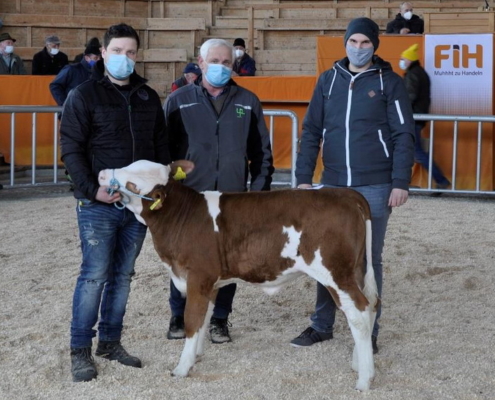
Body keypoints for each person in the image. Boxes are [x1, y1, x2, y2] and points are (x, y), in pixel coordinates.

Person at [291, 17, 415, 354]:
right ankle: (321, 325)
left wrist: (400, 181)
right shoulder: (328, 80)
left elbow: (404, 134)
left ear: (375, 46)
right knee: (324, 256)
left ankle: (369, 329)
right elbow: (311, 131)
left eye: (365, 43)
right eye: (353, 42)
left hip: (375, 184)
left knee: (368, 259)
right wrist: (303, 178)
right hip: (332, 184)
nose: (358, 48)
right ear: (345, 43)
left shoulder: (390, 83)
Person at [60, 23, 169, 383]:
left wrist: (159, 188)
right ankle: (80, 349)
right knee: (94, 275)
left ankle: (110, 342)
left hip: (137, 206)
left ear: (137, 55)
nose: (125, 58)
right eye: (118, 51)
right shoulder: (83, 95)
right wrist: (92, 190)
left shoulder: (147, 97)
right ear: (103, 53)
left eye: (131, 52)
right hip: (98, 204)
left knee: (123, 276)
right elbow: (72, 149)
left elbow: (159, 149)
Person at [163, 38, 273, 344]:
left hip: (233, 198)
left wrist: (257, 194)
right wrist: (175, 187)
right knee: (183, 259)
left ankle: (220, 319)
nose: (221, 67)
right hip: (189, 201)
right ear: (200, 63)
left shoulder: (248, 102)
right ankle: (178, 315)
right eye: (215, 61)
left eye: (226, 62)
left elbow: (262, 153)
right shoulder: (178, 100)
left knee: (228, 260)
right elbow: (164, 154)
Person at [399, 44, 450, 190]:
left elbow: (410, 96)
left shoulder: (413, 74)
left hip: (412, 118)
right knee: (414, 152)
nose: (401, 61)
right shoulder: (419, 72)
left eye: (403, 58)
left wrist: (401, 111)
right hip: (416, 118)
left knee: (417, 152)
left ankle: (441, 180)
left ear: (409, 60)